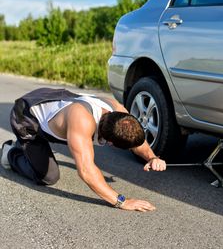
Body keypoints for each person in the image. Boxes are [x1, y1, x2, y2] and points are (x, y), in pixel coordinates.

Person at [1, 87, 166, 212]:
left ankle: (28, 150)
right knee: (47, 177)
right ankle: (10, 153)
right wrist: (122, 201)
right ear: (109, 143)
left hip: (55, 106)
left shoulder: (118, 112)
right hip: (26, 117)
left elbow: (136, 140)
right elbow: (86, 171)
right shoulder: (82, 121)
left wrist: (152, 158)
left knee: (72, 141)